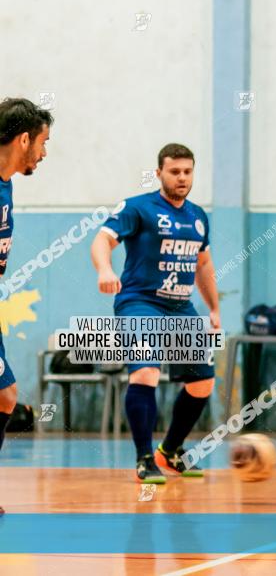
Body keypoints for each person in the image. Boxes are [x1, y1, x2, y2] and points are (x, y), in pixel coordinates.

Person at [91, 143, 220, 483]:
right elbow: (102, 240)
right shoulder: (138, 208)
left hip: (181, 307)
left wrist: (214, 308)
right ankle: (144, 457)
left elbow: (203, 265)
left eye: (187, 171)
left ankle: (170, 451)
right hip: (140, 302)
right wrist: (105, 270)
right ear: (159, 172)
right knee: (146, 372)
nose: (181, 177)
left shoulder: (198, 216)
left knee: (202, 383)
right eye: (174, 171)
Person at [0, 98, 53, 515]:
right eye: (42, 143)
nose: (44, 153)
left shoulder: (7, 183)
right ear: (23, 139)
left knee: (6, 398)